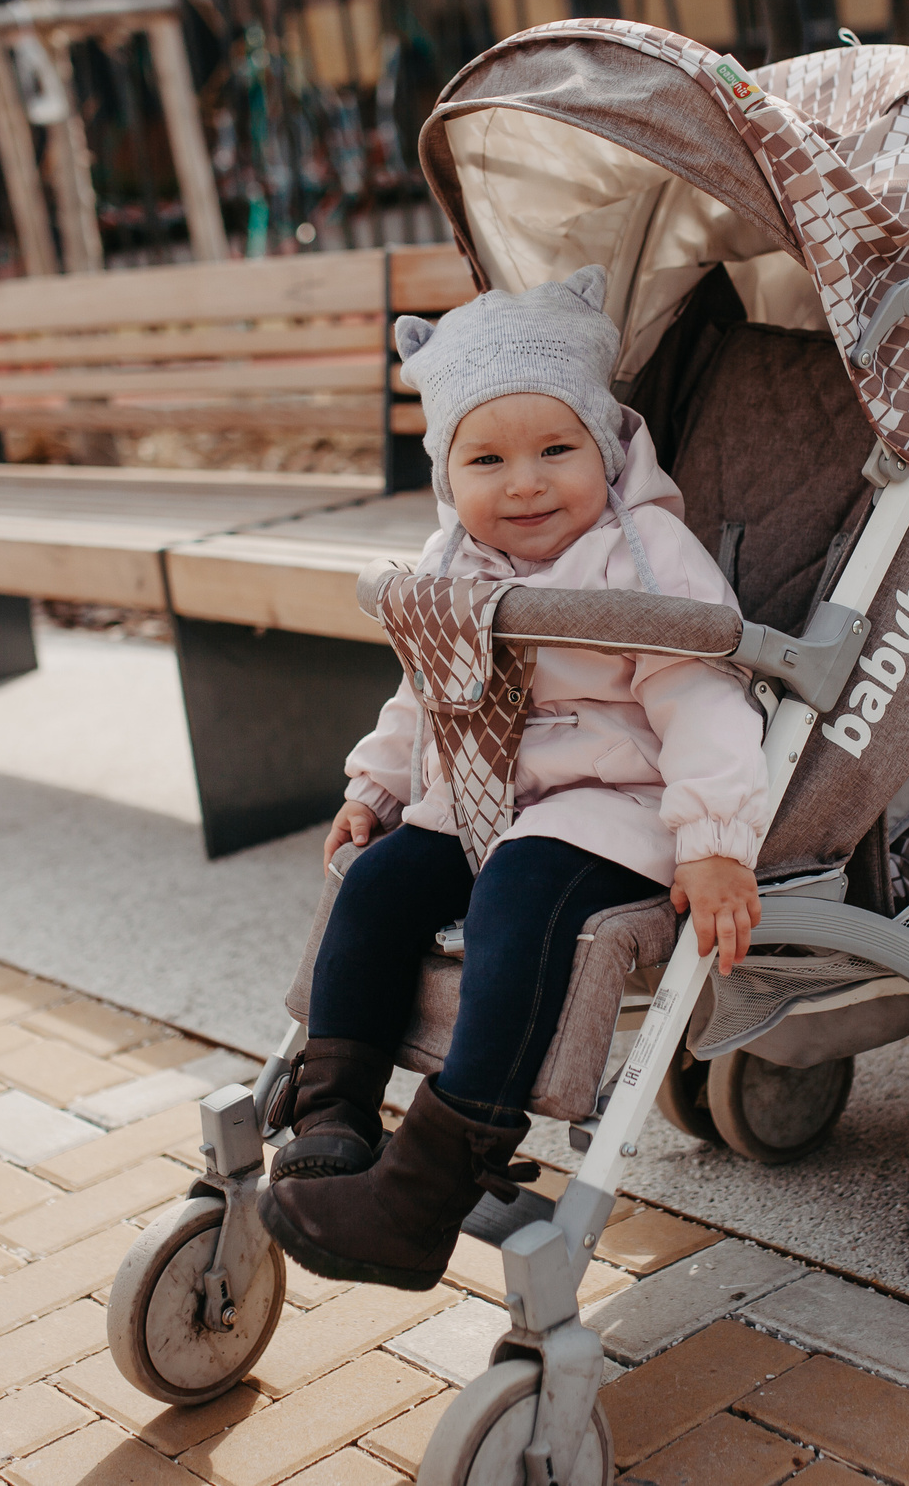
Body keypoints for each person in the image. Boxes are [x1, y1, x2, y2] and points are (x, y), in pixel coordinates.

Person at [257, 265, 769, 1291]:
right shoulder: (454, 562)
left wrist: (713, 840)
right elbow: (422, 698)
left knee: (518, 896)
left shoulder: (642, 553)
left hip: (610, 800)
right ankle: (332, 1112)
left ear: (607, 449)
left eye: (556, 451)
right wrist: (378, 789)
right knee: (380, 882)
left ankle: (428, 1187)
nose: (525, 483)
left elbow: (705, 699)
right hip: (478, 792)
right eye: (488, 459)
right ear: (451, 478)